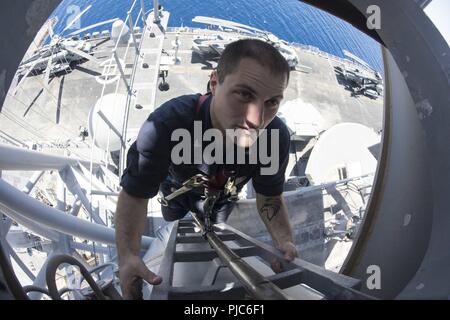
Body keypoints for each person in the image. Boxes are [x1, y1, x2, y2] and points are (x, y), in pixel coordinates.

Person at [115, 38, 298, 299]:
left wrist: (283, 240)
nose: (257, 120)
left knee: (214, 228)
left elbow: (269, 195)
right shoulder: (168, 124)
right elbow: (136, 192)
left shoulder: (275, 136)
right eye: (245, 94)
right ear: (214, 83)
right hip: (175, 194)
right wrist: (128, 256)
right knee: (174, 220)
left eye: (272, 102)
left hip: (221, 201)